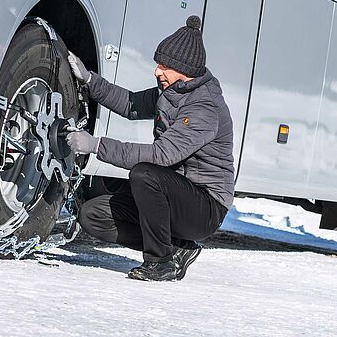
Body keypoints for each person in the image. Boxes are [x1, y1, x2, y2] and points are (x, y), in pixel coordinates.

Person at [65, 15, 234, 282]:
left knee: (144, 174)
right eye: (158, 64)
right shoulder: (172, 91)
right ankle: (177, 247)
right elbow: (131, 104)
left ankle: (160, 262)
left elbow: (161, 155)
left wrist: (96, 145)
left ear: (184, 69)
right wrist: (89, 80)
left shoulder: (204, 108)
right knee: (92, 216)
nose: (157, 71)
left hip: (205, 206)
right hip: (173, 194)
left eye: (165, 66)